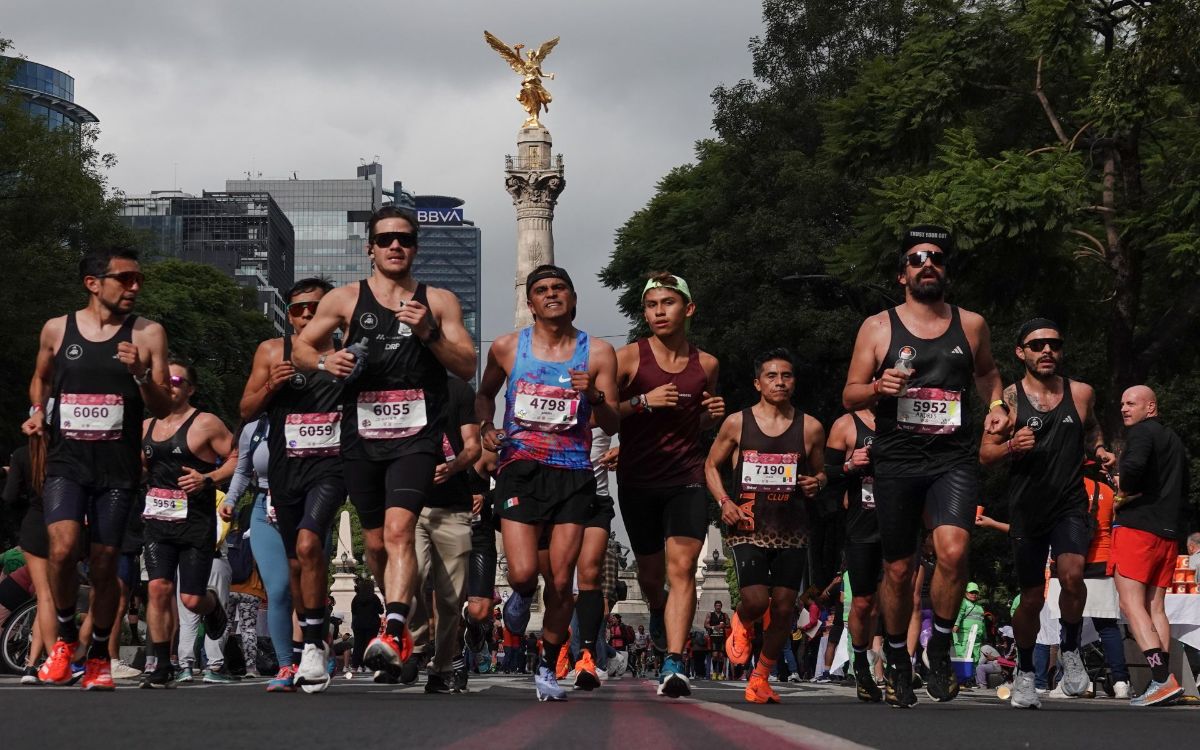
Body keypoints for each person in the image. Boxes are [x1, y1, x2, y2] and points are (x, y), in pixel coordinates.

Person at [292, 206, 476, 681]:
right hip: (362, 435)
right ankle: (402, 613)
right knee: (375, 544)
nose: (396, 245)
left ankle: (394, 628)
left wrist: (428, 332)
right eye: (386, 239)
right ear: (370, 248)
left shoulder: (438, 301)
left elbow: (466, 366)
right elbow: (301, 347)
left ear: (416, 247)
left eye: (405, 239)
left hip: (416, 436)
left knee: (399, 531)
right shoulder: (346, 298)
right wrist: (324, 363)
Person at [841, 225, 1008, 707]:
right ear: (903, 275)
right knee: (898, 569)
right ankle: (897, 656)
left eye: (935, 257)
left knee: (954, 550)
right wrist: (878, 388)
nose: (926, 264)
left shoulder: (971, 324)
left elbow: (987, 373)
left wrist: (997, 404)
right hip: (897, 457)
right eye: (916, 259)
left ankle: (939, 645)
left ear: (945, 271)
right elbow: (850, 393)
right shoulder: (877, 327)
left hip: (952, 456)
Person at [21, 246, 172, 690]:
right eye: (124, 278)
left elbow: (163, 405)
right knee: (63, 550)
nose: (134, 287)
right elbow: (41, 377)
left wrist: (140, 374)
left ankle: (100, 655)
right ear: (93, 283)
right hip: (67, 462)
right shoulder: (57, 328)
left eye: (138, 279)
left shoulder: (148, 333)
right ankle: (66, 638)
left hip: (117, 469)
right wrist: (37, 411)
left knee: (105, 565)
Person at [476, 264, 619, 702]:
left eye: (559, 288)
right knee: (522, 573)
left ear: (573, 298)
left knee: (560, 583)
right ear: (530, 302)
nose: (551, 294)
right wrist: (485, 427)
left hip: (573, 473)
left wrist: (593, 395)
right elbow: (483, 394)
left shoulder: (598, 353)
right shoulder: (506, 347)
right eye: (541, 290)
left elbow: (612, 421)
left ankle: (547, 666)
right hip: (520, 467)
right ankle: (520, 599)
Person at [979, 318, 1113, 708]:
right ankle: (1025, 672)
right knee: (1032, 598)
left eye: (1054, 344)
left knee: (1072, 576)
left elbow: (1092, 429)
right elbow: (985, 455)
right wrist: (1011, 447)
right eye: (1037, 345)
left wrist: (1100, 450)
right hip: (1027, 508)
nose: (1047, 351)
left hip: (1070, 503)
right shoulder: (1009, 399)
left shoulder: (1081, 392)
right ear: (1021, 352)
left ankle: (1069, 649)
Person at [615, 272, 724, 698]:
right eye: (652, 305)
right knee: (650, 575)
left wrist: (711, 416)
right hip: (638, 479)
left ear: (688, 308)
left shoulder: (707, 364)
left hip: (686, 477)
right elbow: (599, 416)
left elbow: (697, 421)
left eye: (668, 303)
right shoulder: (627, 359)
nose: (659, 311)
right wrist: (643, 401)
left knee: (682, 569)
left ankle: (674, 662)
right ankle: (657, 608)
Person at [241, 277, 347, 693]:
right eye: (299, 308)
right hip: (286, 470)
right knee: (295, 566)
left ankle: (313, 645)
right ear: (289, 316)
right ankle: (305, 650)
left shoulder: (347, 352)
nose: (307, 315)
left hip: (331, 468)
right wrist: (272, 385)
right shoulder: (272, 351)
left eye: (315, 308)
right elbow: (245, 409)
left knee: (308, 544)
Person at [707, 348, 826, 704]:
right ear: (758, 383)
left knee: (786, 608)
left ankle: (760, 677)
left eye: (786, 376)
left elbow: (821, 473)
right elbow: (710, 466)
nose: (780, 382)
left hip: (792, 528)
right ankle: (741, 622)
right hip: (747, 524)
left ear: (794, 382)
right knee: (757, 601)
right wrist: (724, 502)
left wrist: (817, 482)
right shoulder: (737, 423)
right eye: (772, 376)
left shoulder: (811, 427)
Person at [138, 360, 236, 688]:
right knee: (157, 588)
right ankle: (162, 664)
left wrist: (208, 478)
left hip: (195, 522)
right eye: (162, 380)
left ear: (190, 388)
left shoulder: (206, 423)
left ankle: (213, 606)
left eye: (176, 380)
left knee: (191, 600)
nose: (169, 385)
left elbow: (238, 457)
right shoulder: (145, 426)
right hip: (157, 522)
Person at [1111, 385, 1189, 706]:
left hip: (1137, 529)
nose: (1124, 409)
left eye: (1131, 403)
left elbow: (1132, 471)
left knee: (1131, 604)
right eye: (1122, 403)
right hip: (1168, 532)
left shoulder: (1142, 433)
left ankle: (1160, 679)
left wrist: (1121, 486)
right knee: (1155, 606)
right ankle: (1165, 681)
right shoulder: (1174, 440)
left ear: (1151, 408)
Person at [409, 375, 482, 694]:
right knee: (411, 576)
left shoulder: (459, 390)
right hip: (410, 504)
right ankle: (415, 645)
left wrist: (453, 468)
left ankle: (443, 666)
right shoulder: (398, 387)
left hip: (453, 506)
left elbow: (473, 447)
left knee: (450, 599)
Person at [825, 406, 881, 701]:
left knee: (905, 598)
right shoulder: (846, 424)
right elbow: (824, 475)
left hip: (901, 520)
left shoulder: (911, 418)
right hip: (862, 525)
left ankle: (899, 665)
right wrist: (848, 466)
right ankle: (860, 664)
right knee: (864, 602)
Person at [706, 600, 730, 680]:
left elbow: (729, 624)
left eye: (719, 606)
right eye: (717, 606)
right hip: (714, 637)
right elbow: (705, 624)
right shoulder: (710, 614)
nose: (718, 607)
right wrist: (714, 627)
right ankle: (714, 672)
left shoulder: (724, 615)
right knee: (715, 655)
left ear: (721, 607)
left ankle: (720, 673)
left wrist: (724, 625)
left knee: (721, 656)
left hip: (722, 637)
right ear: (714, 606)